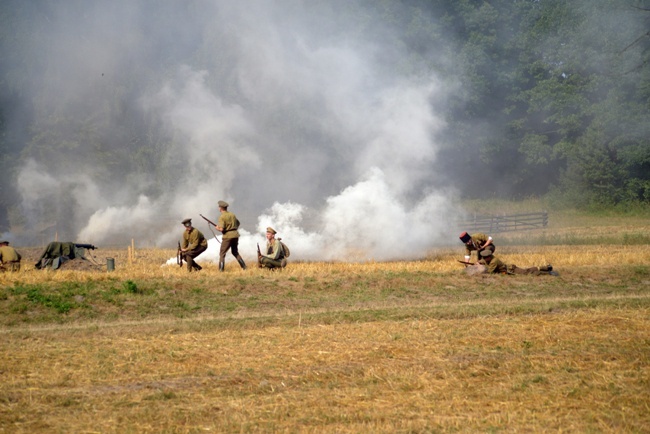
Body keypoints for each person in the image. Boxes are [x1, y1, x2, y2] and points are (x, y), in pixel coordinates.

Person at [212, 200, 246, 271]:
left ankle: (221, 270)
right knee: (235, 252)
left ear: (220, 208)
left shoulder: (222, 217)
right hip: (235, 235)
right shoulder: (232, 215)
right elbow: (238, 223)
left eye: (219, 207)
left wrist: (217, 228)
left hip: (227, 236)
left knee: (222, 253)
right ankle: (244, 267)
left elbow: (221, 229)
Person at [477, 250, 556, 276]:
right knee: (528, 271)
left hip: (511, 270)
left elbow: (490, 272)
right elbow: (483, 261)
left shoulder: (494, 261)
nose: (484, 259)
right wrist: (478, 263)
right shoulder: (489, 259)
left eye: (485, 257)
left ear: (489, 256)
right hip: (509, 270)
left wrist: (480, 271)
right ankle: (547, 267)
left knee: (528, 273)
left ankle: (548, 272)